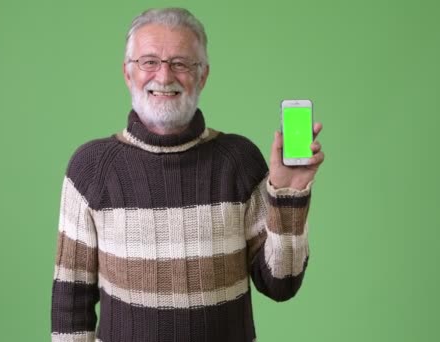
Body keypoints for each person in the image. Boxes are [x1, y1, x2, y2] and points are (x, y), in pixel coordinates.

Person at [51, 7, 325, 342]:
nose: (164, 77)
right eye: (149, 61)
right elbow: (71, 302)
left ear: (203, 75)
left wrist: (288, 192)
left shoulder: (238, 160)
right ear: (127, 73)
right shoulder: (90, 168)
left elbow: (281, 284)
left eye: (180, 63)